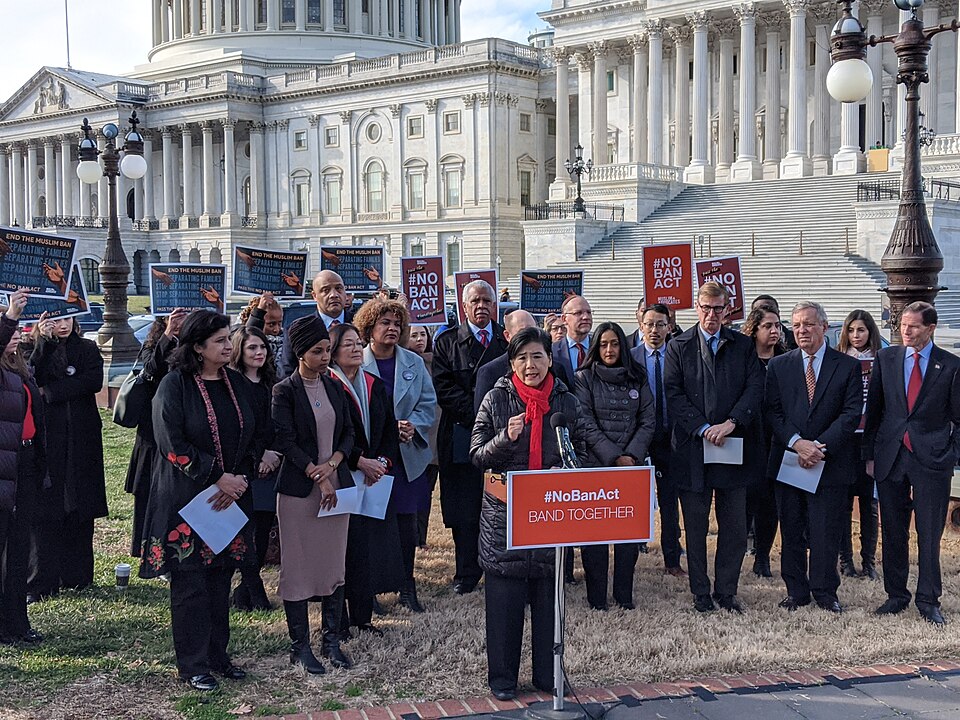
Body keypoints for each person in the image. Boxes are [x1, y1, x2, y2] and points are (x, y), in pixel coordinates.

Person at [139, 310, 263, 692]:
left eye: (229, 339)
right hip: (185, 498)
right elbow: (171, 444)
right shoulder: (174, 385)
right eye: (221, 341)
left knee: (219, 579)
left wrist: (241, 477)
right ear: (198, 347)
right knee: (190, 584)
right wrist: (215, 476)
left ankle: (217, 656)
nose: (229, 346)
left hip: (229, 498)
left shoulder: (237, 385)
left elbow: (256, 433)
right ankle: (192, 664)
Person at [471, 327, 588, 701]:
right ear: (511, 364)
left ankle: (546, 676)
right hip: (505, 518)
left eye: (537, 356)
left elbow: (583, 450)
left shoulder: (567, 402)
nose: (530, 364)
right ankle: (502, 680)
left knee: (548, 602)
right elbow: (476, 455)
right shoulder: (495, 399)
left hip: (551, 516)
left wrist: (567, 470)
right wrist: (506, 437)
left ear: (550, 360)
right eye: (521, 358)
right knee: (504, 604)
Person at [664, 282, 764, 614]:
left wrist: (732, 423)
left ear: (727, 309)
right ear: (697, 307)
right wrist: (704, 428)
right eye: (706, 308)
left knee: (734, 526)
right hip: (693, 448)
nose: (711, 315)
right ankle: (701, 593)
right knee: (694, 526)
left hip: (732, 444)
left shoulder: (744, 345)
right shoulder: (678, 345)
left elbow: (754, 388)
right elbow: (673, 394)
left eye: (718, 309)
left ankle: (727, 591)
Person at [863, 302, 960, 626]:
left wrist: (951, 455)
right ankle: (896, 595)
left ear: (930, 329)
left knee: (929, 533)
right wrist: (870, 456)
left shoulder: (949, 365)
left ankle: (929, 599)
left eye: (914, 326)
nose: (906, 331)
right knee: (893, 530)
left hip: (932, 459)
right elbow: (874, 411)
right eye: (903, 324)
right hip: (891, 456)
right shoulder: (886, 358)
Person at [764, 302, 862, 614]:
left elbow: (850, 414)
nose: (802, 331)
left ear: (824, 326)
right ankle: (796, 591)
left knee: (825, 530)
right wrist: (797, 443)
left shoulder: (846, 366)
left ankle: (825, 592)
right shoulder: (780, 366)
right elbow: (773, 412)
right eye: (796, 326)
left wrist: (818, 447)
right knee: (791, 528)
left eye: (808, 324)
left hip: (828, 462)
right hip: (791, 460)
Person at [272, 315, 356, 672]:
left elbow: (350, 434)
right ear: (300, 353)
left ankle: (332, 641)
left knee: (333, 565)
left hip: (335, 488)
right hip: (299, 493)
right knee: (299, 567)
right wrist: (314, 472)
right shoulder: (284, 391)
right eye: (317, 352)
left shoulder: (335, 386)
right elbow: (284, 439)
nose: (325, 357)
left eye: (327, 350)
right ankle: (300, 646)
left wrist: (333, 465)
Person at [354, 299, 437, 612]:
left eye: (396, 324)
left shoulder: (413, 362)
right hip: (372, 457)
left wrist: (412, 425)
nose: (392, 328)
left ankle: (407, 586)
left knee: (406, 523)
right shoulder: (357, 361)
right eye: (384, 323)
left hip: (405, 456)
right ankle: (370, 590)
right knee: (372, 522)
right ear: (370, 328)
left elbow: (428, 402)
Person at [432, 280, 508, 595]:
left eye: (487, 301)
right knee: (464, 509)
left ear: (495, 305)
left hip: (502, 436)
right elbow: (444, 388)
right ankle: (466, 572)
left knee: (499, 504)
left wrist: (494, 419)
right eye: (475, 301)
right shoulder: (447, 341)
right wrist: (479, 415)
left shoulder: (507, 341)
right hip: (461, 435)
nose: (481, 306)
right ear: (464, 306)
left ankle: (499, 566)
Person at [575, 321, 655, 610]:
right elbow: (584, 423)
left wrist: (631, 456)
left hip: (631, 468)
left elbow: (648, 420)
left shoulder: (638, 376)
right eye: (604, 344)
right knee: (594, 538)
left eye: (615, 343)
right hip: (596, 467)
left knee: (627, 537)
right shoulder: (583, 378)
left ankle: (624, 595)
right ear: (597, 347)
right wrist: (613, 456)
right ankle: (597, 599)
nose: (610, 349)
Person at [28, 312, 105, 602]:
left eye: (67, 320)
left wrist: (50, 391)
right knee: (49, 506)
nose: (62, 326)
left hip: (82, 436)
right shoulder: (33, 346)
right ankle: (42, 579)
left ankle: (78, 575)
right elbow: (32, 373)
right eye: (56, 321)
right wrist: (43, 343)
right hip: (48, 436)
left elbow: (92, 381)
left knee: (81, 502)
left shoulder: (86, 348)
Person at [328, 322, 399, 627]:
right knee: (341, 548)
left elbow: (388, 431)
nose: (357, 349)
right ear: (332, 351)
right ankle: (338, 620)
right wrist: (359, 461)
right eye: (349, 344)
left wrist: (381, 461)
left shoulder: (374, 383)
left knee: (367, 549)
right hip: (342, 474)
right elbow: (331, 436)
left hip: (373, 478)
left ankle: (363, 617)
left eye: (359, 343)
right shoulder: (328, 385)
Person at [0, 291, 45, 644]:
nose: (15, 334)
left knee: (19, 549)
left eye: (16, 329)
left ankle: (17, 622)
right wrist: (11, 314)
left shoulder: (20, 366)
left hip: (25, 463)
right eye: (9, 330)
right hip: (3, 464)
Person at [124, 309, 187, 560]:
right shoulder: (154, 345)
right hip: (152, 432)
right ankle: (145, 546)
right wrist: (169, 335)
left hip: (181, 428)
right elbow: (150, 370)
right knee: (150, 493)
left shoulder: (197, 345)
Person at [630, 303, 685, 577]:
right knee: (634, 499)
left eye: (660, 324)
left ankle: (672, 559)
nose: (654, 329)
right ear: (641, 325)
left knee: (669, 501)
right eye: (649, 324)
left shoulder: (679, 355)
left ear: (669, 327)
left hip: (670, 437)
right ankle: (630, 557)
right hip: (638, 438)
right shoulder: (631, 358)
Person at [228, 326, 280, 611]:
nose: (259, 352)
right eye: (252, 348)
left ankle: (244, 591)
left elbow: (280, 424)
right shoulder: (233, 384)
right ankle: (255, 592)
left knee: (262, 531)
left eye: (262, 347)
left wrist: (274, 454)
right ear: (240, 350)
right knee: (245, 534)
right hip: (246, 466)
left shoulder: (272, 383)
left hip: (271, 465)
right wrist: (259, 455)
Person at [740, 303, 786, 578]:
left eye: (778, 326)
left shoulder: (786, 360)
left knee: (770, 503)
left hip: (776, 440)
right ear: (754, 329)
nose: (774, 331)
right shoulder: (742, 361)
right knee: (744, 501)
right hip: (746, 439)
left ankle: (763, 556)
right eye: (768, 326)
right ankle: (738, 550)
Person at [836, 309, 882, 580]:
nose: (856, 335)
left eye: (861, 330)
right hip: (845, 439)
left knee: (869, 504)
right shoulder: (840, 361)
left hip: (870, 438)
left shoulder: (881, 361)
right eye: (852, 330)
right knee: (842, 503)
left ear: (870, 332)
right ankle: (845, 561)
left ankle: (870, 562)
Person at [279, 270, 354, 377]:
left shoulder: (360, 323)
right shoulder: (299, 330)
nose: (334, 295)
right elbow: (287, 372)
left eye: (338, 288)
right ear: (314, 296)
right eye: (326, 290)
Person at [405, 326, 440, 549]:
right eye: (414, 335)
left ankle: (421, 538)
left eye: (423, 335)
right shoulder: (404, 362)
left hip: (433, 436)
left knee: (426, 490)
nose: (419, 339)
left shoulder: (436, 362)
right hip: (409, 436)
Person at [474, 309, 538, 413]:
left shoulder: (554, 368)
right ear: (507, 336)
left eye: (533, 331)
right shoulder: (489, 373)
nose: (529, 337)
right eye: (522, 332)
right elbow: (482, 423)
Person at [553, 294, 593, 387]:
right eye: (578, 313)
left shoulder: (600, 348)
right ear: (564, 319)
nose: (586, 317)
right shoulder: (552, 351)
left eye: (589, 312)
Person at [242, 292, 285, 371]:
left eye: (279, 323)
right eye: (271, 324)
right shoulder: (239, 337)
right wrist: (260, 311)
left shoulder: (286, 341)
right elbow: (248, 335)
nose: (276, 329)